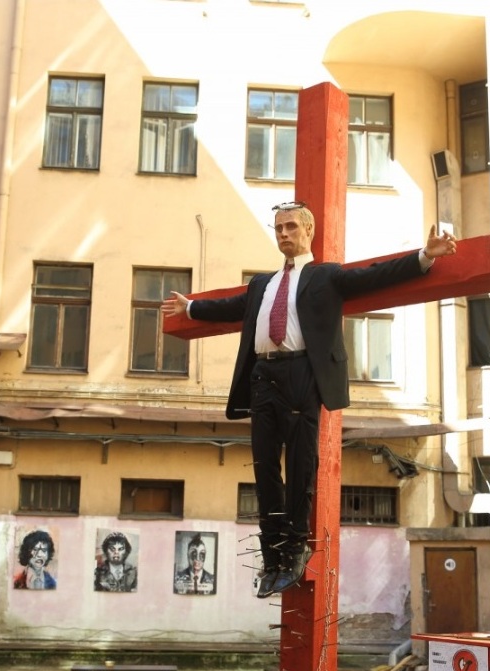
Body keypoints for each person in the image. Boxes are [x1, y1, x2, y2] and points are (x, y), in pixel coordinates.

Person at [161, 202, 457, 597]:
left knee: (301, 464)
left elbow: (375, 275)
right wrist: (191, 307)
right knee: (264, 467)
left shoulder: (325, 276)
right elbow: (230, 307)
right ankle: (272, 556)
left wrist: (424, 256)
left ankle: (295, 549)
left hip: (302, 373)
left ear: (308, 230)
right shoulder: (261, 284)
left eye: (290, 226)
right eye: (278, 228)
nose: (283, 234)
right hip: (263, 376)